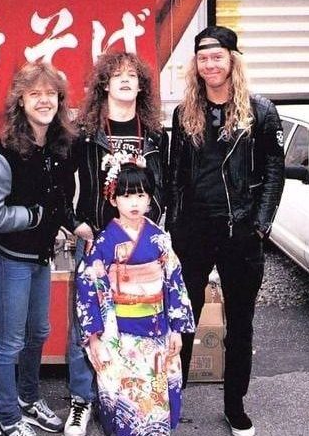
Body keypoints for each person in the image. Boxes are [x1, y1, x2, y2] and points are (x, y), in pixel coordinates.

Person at [166, 26, 285, 436]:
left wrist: (261, 225)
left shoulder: (260, 112)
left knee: (240, 324)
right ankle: (172, 400)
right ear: (195, 65)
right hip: (194, 231)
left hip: (242, 232)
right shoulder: (185, 113)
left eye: (217, 57)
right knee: (184, 319)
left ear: (232, 60)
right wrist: (173, 226)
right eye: (203, 58)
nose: (209, 65)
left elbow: (274, 172)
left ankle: (235, 406)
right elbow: (175, 174)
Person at [0, 62, 79, 436]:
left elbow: (59, 199)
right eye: (35, 94)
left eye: (50, 94)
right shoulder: (5, 154)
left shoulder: (58, 145)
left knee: (39, 332)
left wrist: (70, 224)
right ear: (20, 101)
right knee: (10, 341)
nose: (44, 101)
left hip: (41, 256)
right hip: (13, 257)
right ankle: (8, 416)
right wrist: (29, 216)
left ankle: (29, 398)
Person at [65, 51, 169, 436]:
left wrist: (155, 228)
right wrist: (74, 223)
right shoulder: (85, 133)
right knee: (87, 320)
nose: (125, 81)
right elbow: (60, 183)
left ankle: (126, 395)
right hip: (98, 241)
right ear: (104, 85)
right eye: (117, 75)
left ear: (141, 86)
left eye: (132, 76)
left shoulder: (155, 134)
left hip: (140, 247)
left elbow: (167, 185)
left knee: (134, 323)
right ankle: (81, 399)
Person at [76, 160, 195, 436]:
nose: (134, 202)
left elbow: (174, 282)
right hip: (119, 335)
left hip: (157, 331)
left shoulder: (159, 239)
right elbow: (88, 289)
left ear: (150, 199)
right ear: (113, 199)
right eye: (127, 195)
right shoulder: (103, 242)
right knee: (125, 401)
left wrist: (176, 329)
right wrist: (94, 337)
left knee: (155, 399)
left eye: (141, 195)